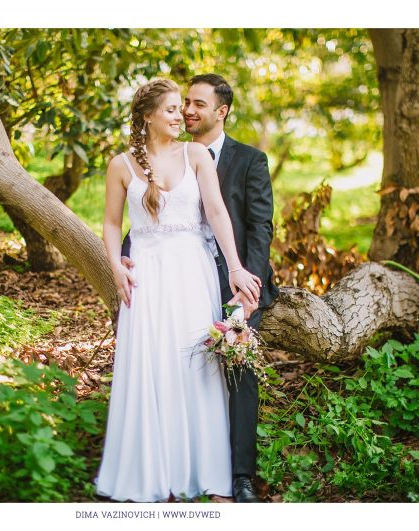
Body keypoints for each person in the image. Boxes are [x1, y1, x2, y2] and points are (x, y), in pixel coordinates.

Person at [94, 78, 262, 503]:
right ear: (148, 116)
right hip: (145, 274)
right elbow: (111, 223)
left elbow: (217, 212)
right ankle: (152, 470)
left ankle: (203, 471)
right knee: (151, 364)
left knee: (196, 367)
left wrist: (236, 268)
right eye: (171, 109)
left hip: (192, 271)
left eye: (181, 107)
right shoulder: (121, 165)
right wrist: (115, 264)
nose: (181, 115)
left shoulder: (196, 155)